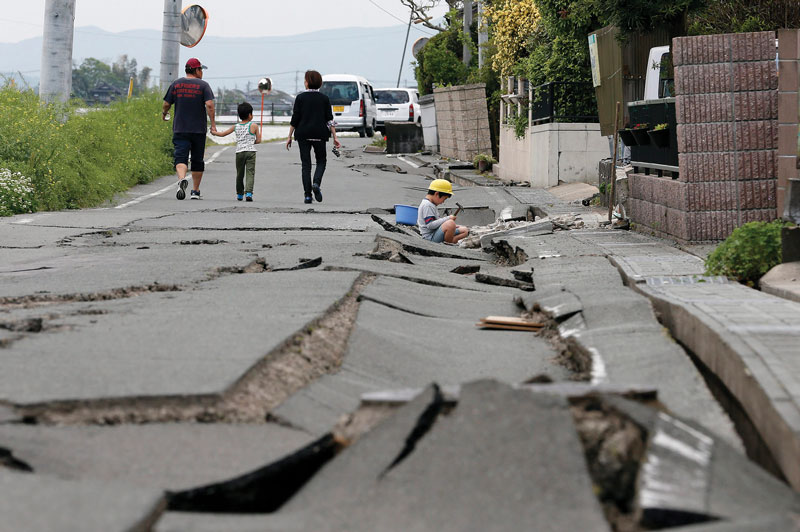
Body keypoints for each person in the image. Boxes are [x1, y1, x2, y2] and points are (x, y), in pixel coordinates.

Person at [162, 57, 217, 200]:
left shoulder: (176, 84)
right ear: (196, 70)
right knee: (197, 160)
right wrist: (213, 124)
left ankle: (181, 180)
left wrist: (164, 113)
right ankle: (195, 191)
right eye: (201, 69)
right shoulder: (204, 85)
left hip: (180, 129)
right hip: (198, 130)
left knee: (181, 157)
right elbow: (210, 105)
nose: (202, 72)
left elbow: (166, 104)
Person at [286, 70, 341, 204]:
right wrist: (335, 136)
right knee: (321, 161)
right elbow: (329, 119)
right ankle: (316, 183)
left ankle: (307, 196)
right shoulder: (324, 98)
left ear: (307, 82)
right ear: (319, 83)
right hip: (320, 134)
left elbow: (295, 118)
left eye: (305, 80)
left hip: (303, 134)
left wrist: (289, 136)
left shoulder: (300, 98)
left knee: (306, 165)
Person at [211, 102, 262, 201]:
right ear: (250, 115)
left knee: (240, 173)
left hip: (239, 152)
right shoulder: (254, 126)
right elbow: (259, 140)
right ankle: (248, 193)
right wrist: (251, 142)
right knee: (250, 173)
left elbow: (223, 134)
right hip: (251, 152)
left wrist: (214, 132)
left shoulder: (236, 126)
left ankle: (239, 194)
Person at [417, 179, 469, 244]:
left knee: (465, 230)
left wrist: (452, 226)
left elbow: (437, 223)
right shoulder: (427, 205)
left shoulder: (431, 204)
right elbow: (430, 225)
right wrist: (448, 218)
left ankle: (451, 242)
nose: (443, 202)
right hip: (430, 238)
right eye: (444, 199)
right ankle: (447, 245)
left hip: (435, 233)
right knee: (450, 223)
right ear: (437, 194)